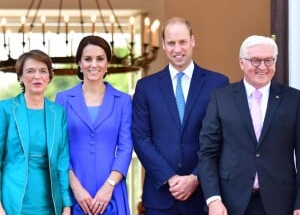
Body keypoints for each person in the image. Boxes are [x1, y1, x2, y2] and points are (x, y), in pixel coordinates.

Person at [132, 17, 229, 214]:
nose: (177, 49)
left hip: (203, 195)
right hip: (160, 195)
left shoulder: (217, 83)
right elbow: (141, 138)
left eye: (182, 42)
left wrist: (195, 177)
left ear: (192, 41)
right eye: (171, 43)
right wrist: (170, 178)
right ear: (163, 45)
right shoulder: (146, 87)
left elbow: (223, 137)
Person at [198, 35, 300, 215]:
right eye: (255, 61)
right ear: (241, 63)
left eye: (268, 60)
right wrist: (213, 199)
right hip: (230, 202)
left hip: (281, 202)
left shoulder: (294, 99)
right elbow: (207, 153)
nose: (262, 67)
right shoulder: (221, 98)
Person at [55, 35, 132, 215]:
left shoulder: (123, 101)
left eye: (100, 59)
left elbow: (126, 148)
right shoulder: (63, 99)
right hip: (72, 189)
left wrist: (109, 186)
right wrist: (76, 189)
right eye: (88, 59)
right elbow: (58, 149)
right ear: (79, 63)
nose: (93, 64)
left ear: (107, 63)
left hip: (111, 190)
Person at [0, 50, 71, 215]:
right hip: (13, 203)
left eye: (43, 71)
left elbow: (62, 161)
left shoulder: (58, 113)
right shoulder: (5, 109)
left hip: (51, 204)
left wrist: (66, 205)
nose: (37, 76)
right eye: (30, 71)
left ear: (49, 77)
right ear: (20, 77)